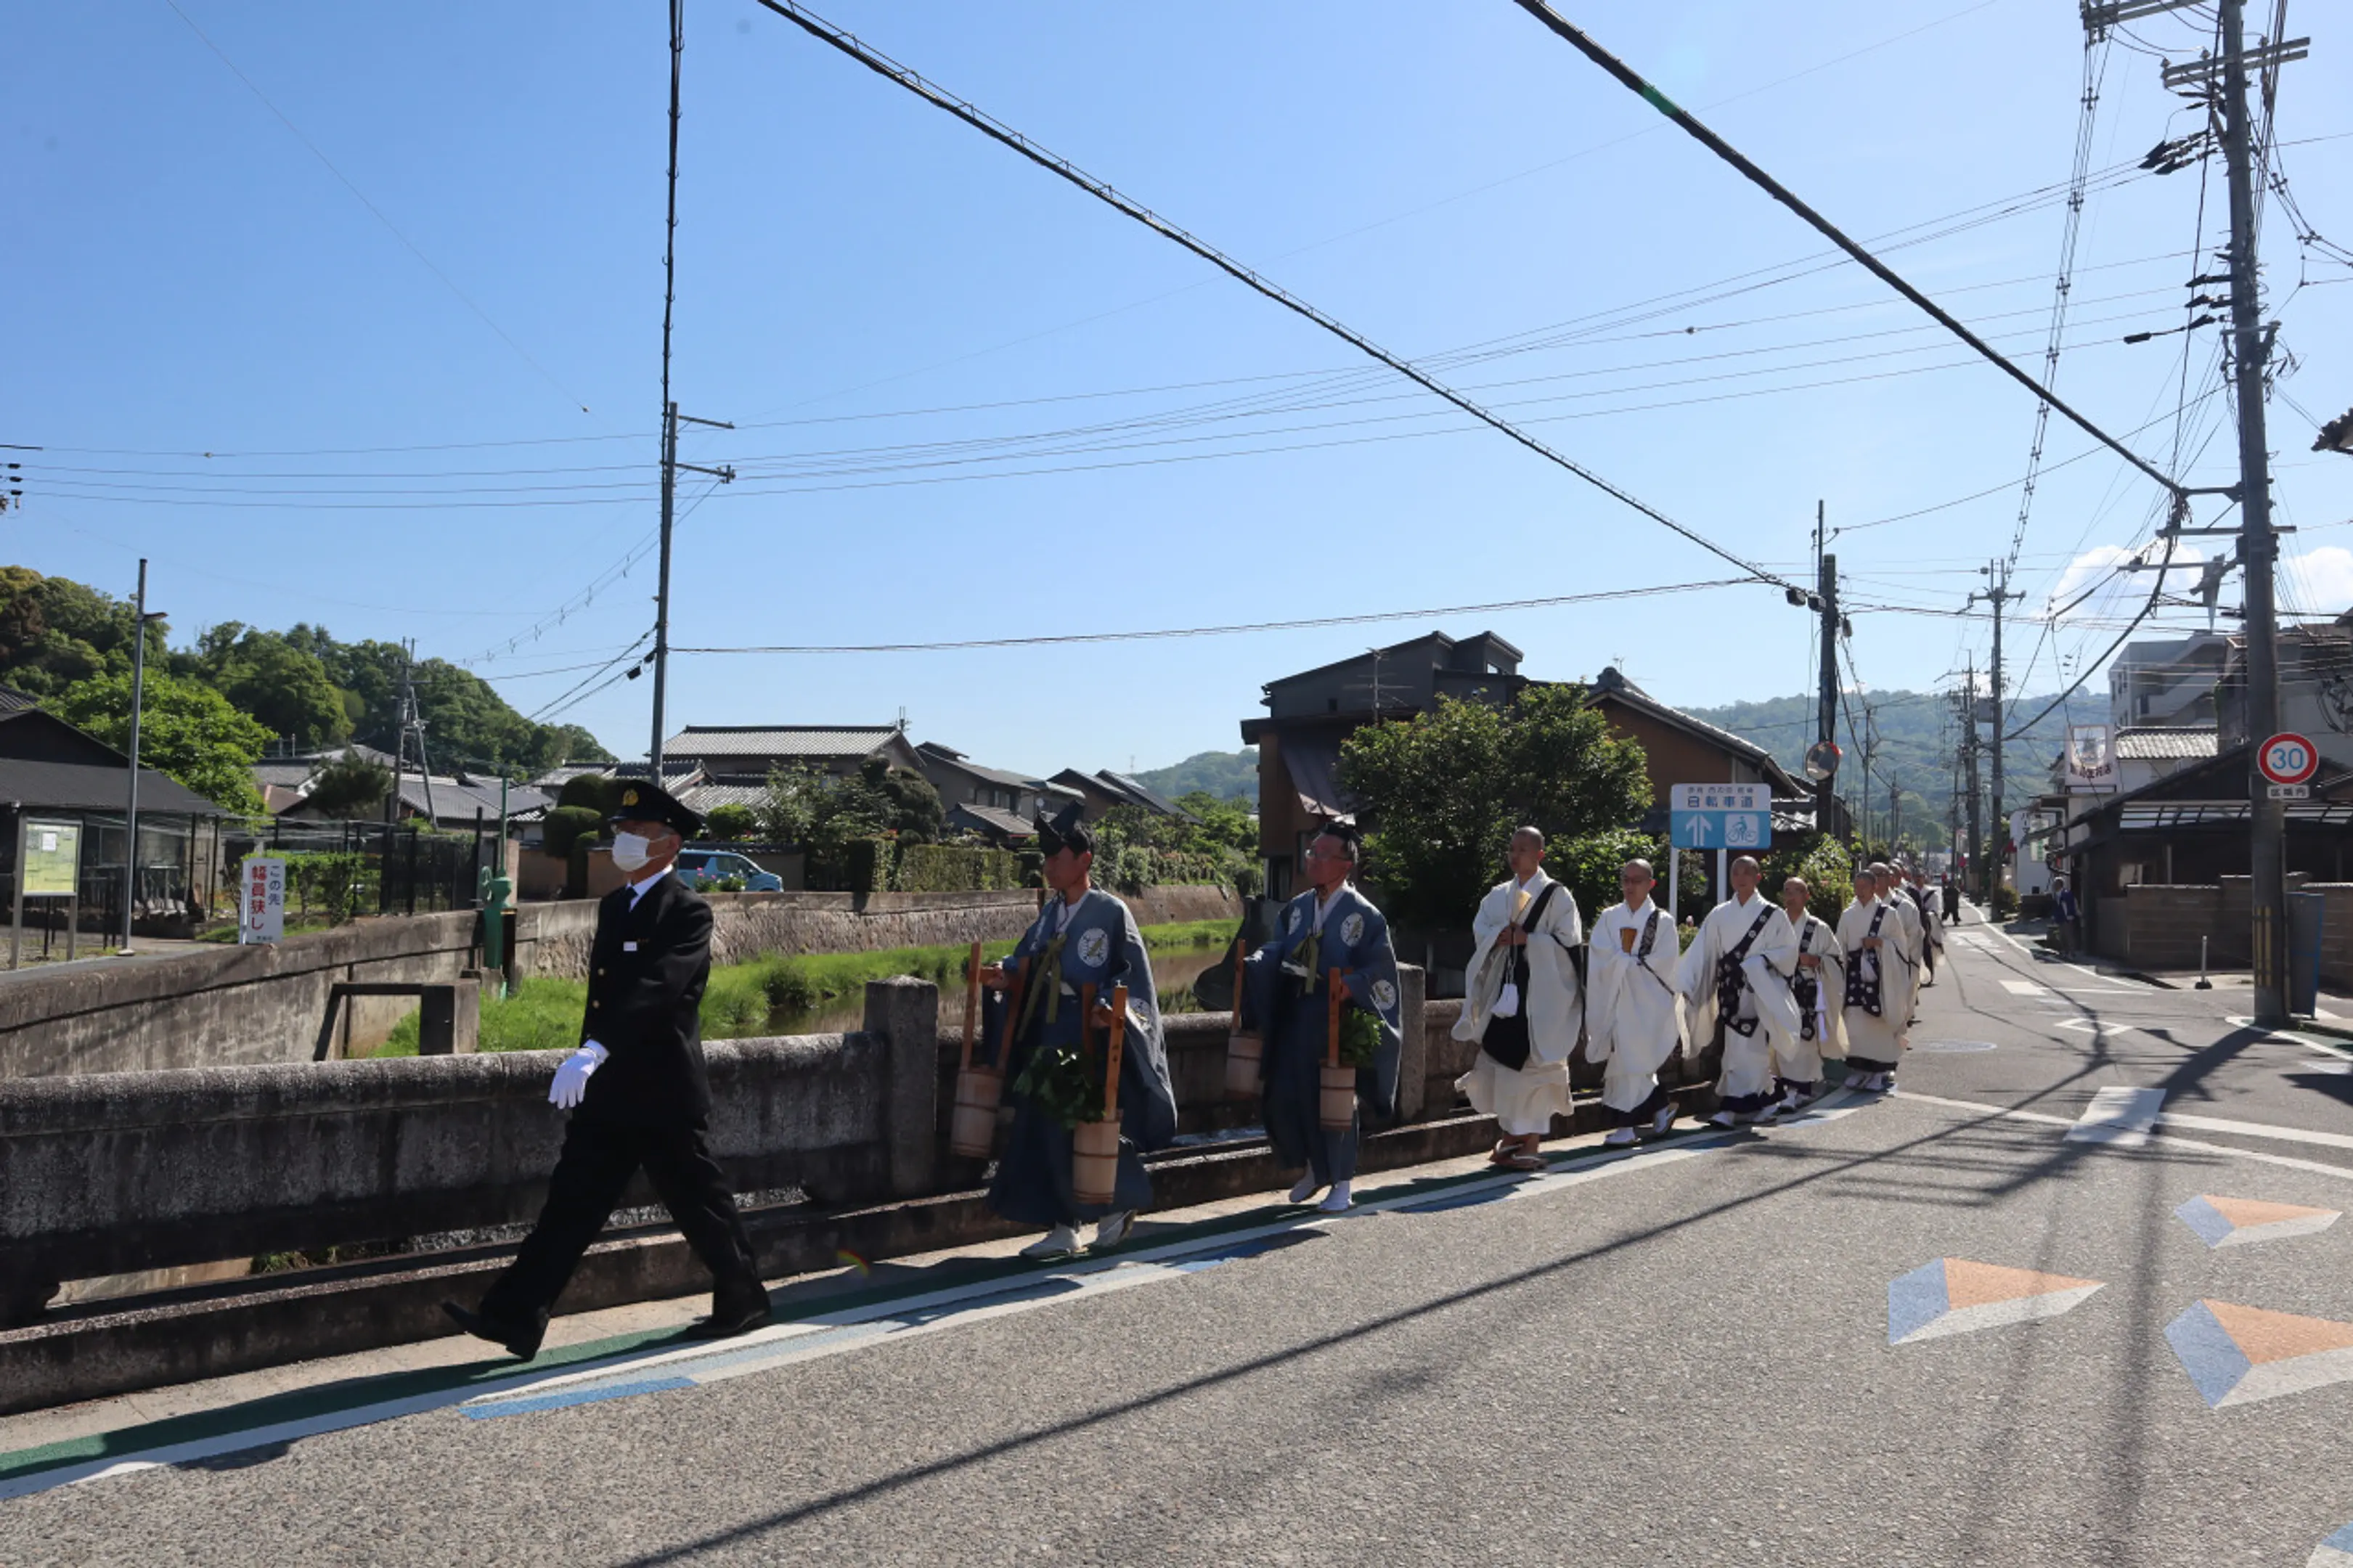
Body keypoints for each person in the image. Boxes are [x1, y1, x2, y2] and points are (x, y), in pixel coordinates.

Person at [444, 782, 767, 1359]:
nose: (624, 841)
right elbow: (607, 994)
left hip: (662, 1088)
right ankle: (516, 1317)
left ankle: (743, 1296)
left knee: (698, 1201)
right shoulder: (615, 904)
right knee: (571, 1202)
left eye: (639, 834)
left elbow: (657, 990)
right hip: (610, 1088)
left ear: (670, 846)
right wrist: (592, 1055)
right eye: (623, 831)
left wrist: (594, 1050)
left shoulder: (687, 911)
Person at [979, 804, 1178, 1260]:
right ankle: (1064, 1224)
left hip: (1087, 1031)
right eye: (1046, 860)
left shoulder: (1110, 912)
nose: (1048, 867)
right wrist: (1005, 976)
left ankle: (1116, 1205)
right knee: (1042, 1122)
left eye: (1056, 858)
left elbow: (1133, 974)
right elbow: (1025, 959)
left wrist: (1111, 1005)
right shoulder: (1051, 914)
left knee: (1085, 1121)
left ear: (1084, 859)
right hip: (1048, 1029)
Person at [1243, 824, 1404, 1212]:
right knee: (1285, 1095)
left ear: (1346, 864)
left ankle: (1343, 1181)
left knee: (1332, 1100)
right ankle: (1315, 1168)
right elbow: (1279, 946)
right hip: (1295, 1010)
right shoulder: (1297, 908)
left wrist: (1352, 985)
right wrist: (1257, 963)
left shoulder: (1365, 915)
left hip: (1336, 1017)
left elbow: (1381, 970)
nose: (1312, 860)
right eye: (1311, 852)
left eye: (1322, 854)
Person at [1453, 827, 1583, 1172]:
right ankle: (1512, 1136)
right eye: (1512, 849)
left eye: (1523, 849)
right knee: (1504, 1065)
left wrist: (1531, 940)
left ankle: (1531, 1142)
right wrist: (1498, 937)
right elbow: (1481, 931)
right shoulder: (1497, 896)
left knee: (1537, 1069)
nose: (1515, 855)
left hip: (1542, 995)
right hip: (1505, 994)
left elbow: (1569, 944)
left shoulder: (1558, 897)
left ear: (1540, 854)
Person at [1676, 854, 1801, 1129]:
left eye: (1747, 872)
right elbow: (1702, 953)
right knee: (1737, 1047)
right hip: (1730, 990)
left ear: (1758, 878)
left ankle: (1734, 1107)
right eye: (1736, 873)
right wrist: (1686, 982)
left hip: (1759, 990)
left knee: (1748, 1048)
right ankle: (1765, 1099)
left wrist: (1760, 963)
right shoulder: (1720, 914)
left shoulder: (1773, 915)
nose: (1741, 878)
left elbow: (1788, 953)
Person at [1583, 858, 1687, 1147]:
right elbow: (1599, 954)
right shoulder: (1609, 917)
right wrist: (1622, 963)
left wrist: (1626, 964)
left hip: (1646, 1001)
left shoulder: (1662, 922)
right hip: (1617, 999)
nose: (1629, 886)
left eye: (1637, 880)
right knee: (1626, 1061)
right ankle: (1659, 1107)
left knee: (1633, 1059)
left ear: (1651, 884)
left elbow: (1665, 963)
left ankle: (1627, 1126)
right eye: (1625, 879)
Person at [1837, 864, 1917, 1093]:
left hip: (1881, 977)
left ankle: (1880, 1071)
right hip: (1854, 976)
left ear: (1875, 887)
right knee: (1855, 1021)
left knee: (1879, 1022)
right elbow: (1839, 948)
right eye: (1857, 886)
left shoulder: (1888, 914)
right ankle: (1858, 1069)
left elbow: (1900, 946)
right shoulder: (1848, 915)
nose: (1860, 890)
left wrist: (1880, 943)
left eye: (1865, 886)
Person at [1769, 875, 1843, 1114]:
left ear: (1806, 896)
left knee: (1804, 1040)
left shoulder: (1818, 928)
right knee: (1780, 1037)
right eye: (1786, 891)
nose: (1790, 896)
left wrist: (1817, 961)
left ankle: (1798, 1089)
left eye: (1796, 891)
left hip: (1806, 992)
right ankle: (1786, 1087)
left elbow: (1837, 961)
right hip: (1780, 989)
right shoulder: (1774, 925)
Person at [2052, 876, 2081, 956]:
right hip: (2061, 918)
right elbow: (2057, 907)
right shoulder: (2056, 895)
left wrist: (2070, 915)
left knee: (2068, 936)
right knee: (2062, 936)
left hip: (2067, 918)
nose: (2054, 886)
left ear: (2059, 885)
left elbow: (2069, 905)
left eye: (2055, 884)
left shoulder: (2066, 894)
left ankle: (2071, 952)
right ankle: (2065, 951)